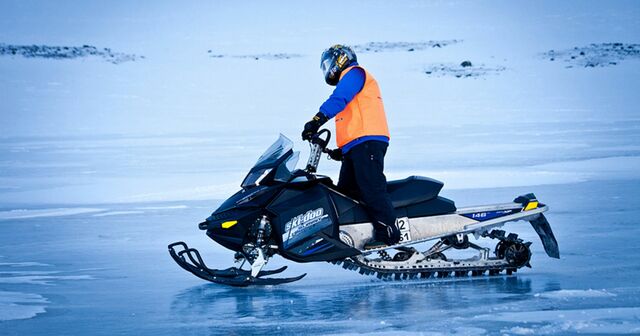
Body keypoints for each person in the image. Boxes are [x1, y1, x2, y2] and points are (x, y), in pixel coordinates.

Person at [301, 44, 400, 250]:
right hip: (357, 145)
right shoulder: (350, 78)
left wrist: (317, 120)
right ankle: (352, 237)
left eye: (328, 64)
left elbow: (339, 99)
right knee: (345, 195)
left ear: (340, 59)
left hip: (368, 141)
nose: (327, 69)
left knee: (372, 188)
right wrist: (343, 150)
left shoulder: (355, 73)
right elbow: (352, 118)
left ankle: (389, 233)